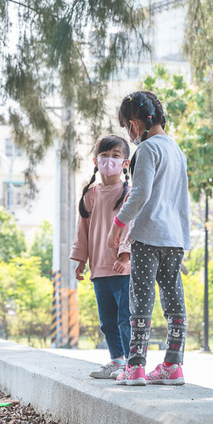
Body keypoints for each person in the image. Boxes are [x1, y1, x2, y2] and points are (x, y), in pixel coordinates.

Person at [108, 91, 191, 386]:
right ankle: (173, 364)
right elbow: (181, 199)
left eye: (126, 128)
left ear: (134, 124)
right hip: (175, 237)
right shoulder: (176, 150)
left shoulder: (147, 149)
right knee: (173, 299)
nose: (128, 134)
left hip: (147, 236)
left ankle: (135, 366)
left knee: (141, 299)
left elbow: (140, 193)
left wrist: (119, 223)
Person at [70, 135, 133, 379]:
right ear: (96, 161)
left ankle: (132, 363)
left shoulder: (129, 193)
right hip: (98, 269)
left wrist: (125, 256)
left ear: (125, 163)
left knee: (125, 319)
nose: (110, 161)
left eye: (116, 156)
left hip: (122, 270)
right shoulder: (90, 196)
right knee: (107, 321)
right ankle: (116, 361)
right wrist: (80, 261)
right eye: (105, 156)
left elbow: (130, 225)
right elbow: (82, 231)